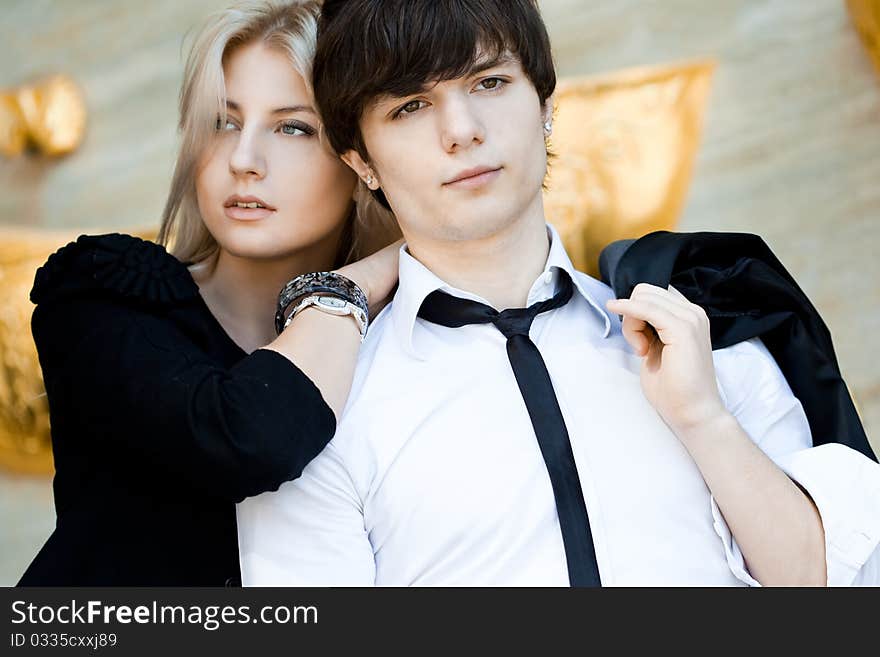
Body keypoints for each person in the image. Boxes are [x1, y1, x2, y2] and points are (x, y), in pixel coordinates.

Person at [236, 0, 880, 586]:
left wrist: (704, 419)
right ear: (361, 161)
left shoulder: (697, 329)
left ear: (545, 105)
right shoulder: (325, 417)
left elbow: (833, 593)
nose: (461, 129)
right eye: (410, 106)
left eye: (489, 82)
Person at [18, 0, 400, 586]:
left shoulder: (403, 340)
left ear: (362, 163)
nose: (243, 160)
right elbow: (247, 437)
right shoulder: (105, 295)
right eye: (223, 122)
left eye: (293, 127)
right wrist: (349, 287)